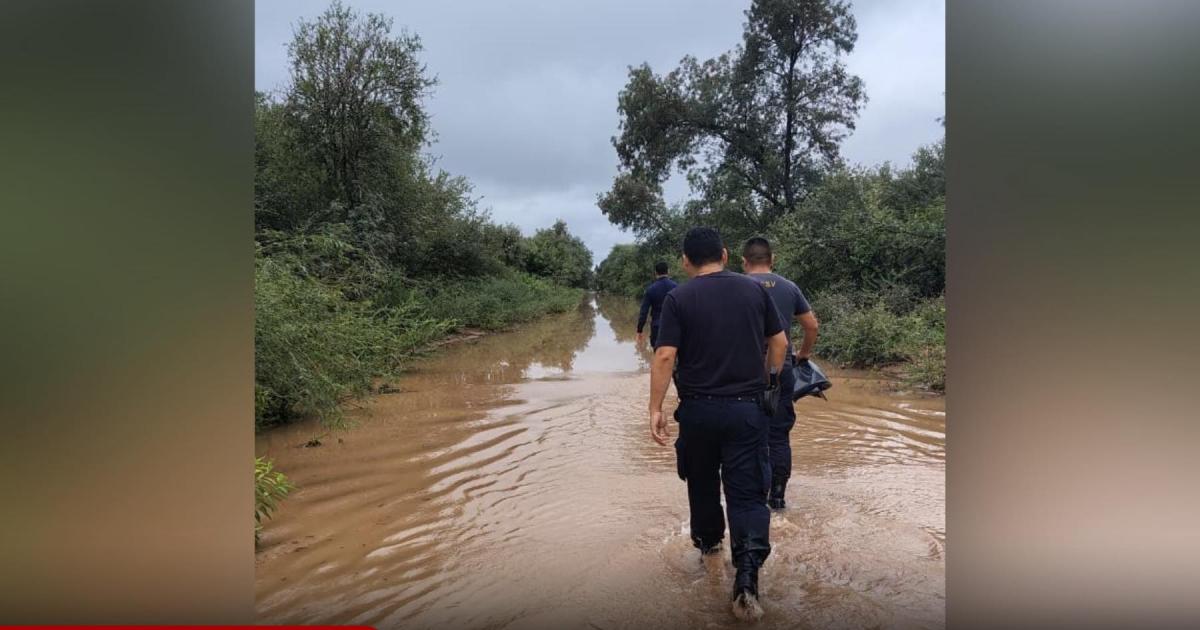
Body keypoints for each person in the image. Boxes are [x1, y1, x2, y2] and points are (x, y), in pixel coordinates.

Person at [649, 227, 788, 621]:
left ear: (685, 261)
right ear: (726, 255)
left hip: (698, 412)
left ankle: (710, 555)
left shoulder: (678, 297)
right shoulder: (755, 291)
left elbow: (664, 356)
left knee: (703, 484)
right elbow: (779, 344)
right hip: (747, 410)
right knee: (746, 495)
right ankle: (746, 580)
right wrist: (771, 380)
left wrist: (654, 408)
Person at [741, 237, 819, 510]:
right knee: (779, 435)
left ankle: (753, 495)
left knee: (747, 434)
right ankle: (778, 496)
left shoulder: (738, 286)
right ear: (772, 259)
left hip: (745, 371)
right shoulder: (790, 287)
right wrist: (803, 355)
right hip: (782, 367)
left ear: (744, 261)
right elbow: (811, 326)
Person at [636, 261, 677, 348]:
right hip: (674, 328)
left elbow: (644, 313)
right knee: (674, 357)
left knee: (658, 356)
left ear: (655, 272)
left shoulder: (650, 290)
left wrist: (639, 330)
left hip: (657, 328)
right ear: (668, 271)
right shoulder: (676, 287)